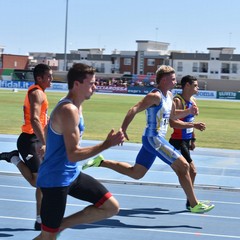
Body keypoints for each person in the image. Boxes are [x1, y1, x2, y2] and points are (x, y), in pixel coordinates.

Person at [82, 65, 214, 213]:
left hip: (155, 140)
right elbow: (133, 109)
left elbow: (173, 117)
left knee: (136, 173)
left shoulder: (169, 96)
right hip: (153, 138)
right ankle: (193, 204)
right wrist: (123, 129)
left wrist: (189, 112)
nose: (175, 81)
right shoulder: (155, 96)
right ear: (163, 80)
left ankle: (101, 161)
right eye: (172, 79)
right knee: (184, 167)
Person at [33, 63, 124, 240]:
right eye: (91, 83)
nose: (95, 87)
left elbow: (48, 126)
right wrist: (106, 144)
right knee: (47, 238)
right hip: (55, 179)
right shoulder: (68, 110)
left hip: (72, 174)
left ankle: (61, 225)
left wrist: (45, 144)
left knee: (111, 207)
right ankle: (54, 229)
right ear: (77, 84)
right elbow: (73, 154)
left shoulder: (75, 106)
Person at [0, 63, 53, 230]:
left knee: (43, 182)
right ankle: (14, 158)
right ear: (40, 78)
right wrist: (44, 142)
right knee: (37, 182)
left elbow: (42, 116)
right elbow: (35, 120)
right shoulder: (36, 92)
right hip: (29, 141)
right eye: (49, 76)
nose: (51, 79)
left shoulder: (41, 93)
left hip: (37, 139)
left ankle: (39, 220)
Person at [169, 75, 206, 210]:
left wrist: (193, 139)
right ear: (187, 86)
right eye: (195, 85)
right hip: (177, 141)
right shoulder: (177, 101)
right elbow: (173, 123)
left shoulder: (193, 100)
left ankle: (190, 201)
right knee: (191, 171)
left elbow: (190, 121)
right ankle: (191, 202)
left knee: (189, 172)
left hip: (186, 141)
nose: (198, 88)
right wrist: (194, 125)